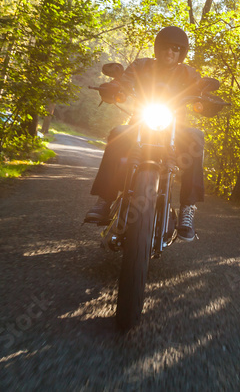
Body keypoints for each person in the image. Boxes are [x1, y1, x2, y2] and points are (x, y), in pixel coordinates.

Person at [85, 26, 220, 241]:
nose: (170, 52)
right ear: (158, 48)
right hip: (141, 124)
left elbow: (199, 91)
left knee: (197, 136)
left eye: (176, 49)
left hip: (176, 129)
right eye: (166, 47)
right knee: (118, 132)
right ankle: (105, 200)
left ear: (181, 52)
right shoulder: (142, 65)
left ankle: (187, 208)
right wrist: (114, 86)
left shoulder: (189, 73)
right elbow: (123, 81)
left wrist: (208, 101)